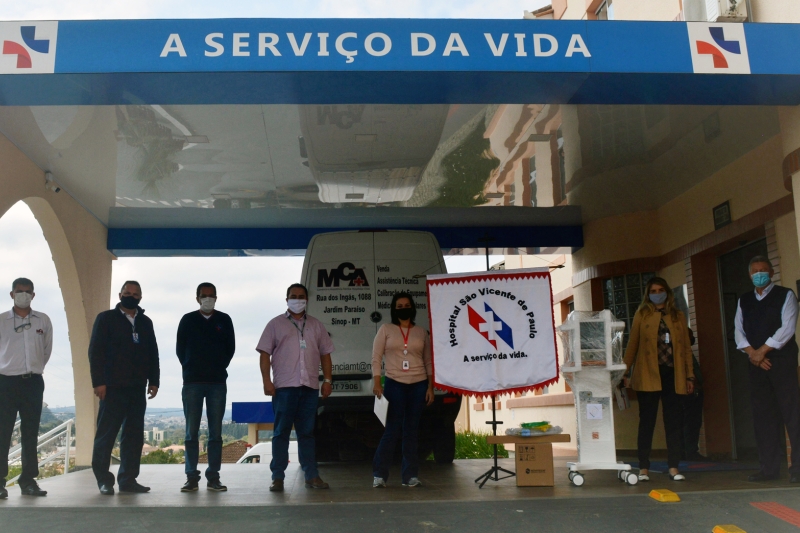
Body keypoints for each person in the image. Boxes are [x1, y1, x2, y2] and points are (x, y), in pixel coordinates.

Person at [256, 283, 334, 492]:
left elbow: (326, 354)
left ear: (307, 300)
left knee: (307, 433)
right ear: (286, 299)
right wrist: (266, 380)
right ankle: (278, 477)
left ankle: (311, 475)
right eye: (293, 296)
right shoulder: (275, 324)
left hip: (309, 386)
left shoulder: (316, 325)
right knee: (281, 432)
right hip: (284, 388)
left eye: (301, 296)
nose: (297, 300)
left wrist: (327, 381)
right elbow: (264, 354)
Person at [89, 281, 160, 495]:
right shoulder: (105, 319)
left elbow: (152, 353)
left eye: (135, 293)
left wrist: (154, 381)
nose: (131, 296)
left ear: (140, 297)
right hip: (111, 388)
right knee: (106, 436)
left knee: (133, 437)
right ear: (120, 294)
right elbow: (95, 352)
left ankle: (128, 480)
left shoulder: (145, 322)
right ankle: (104, 480)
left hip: (137, 388)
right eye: (127, 292)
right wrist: (98, 382)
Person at [734, 256, 800, 483]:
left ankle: (798, 470)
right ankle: (769, 470)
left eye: (763, 270)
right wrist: (753, 354)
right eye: (755, 270)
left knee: (793, 415)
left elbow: (787, 328)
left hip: (782, 362)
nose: (759, 273)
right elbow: (738, 333)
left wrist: (762, 350)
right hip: (756, 364)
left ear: (771, 273)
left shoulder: (786, 295)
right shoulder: (744, 300)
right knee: (763, 418)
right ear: (750, 275)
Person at [623, 277, 695, 482]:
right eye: (653, 291)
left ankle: (674, 467)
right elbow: (632, 345)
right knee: (647, 422)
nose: (657, 293)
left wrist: (690, 375)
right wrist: (624, 372)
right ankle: (644, 467)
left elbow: (686, 349)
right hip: (648, 375)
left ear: (667, 292)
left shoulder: (678, 315)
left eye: (660, 290)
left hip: (674, 374)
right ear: (648, 294)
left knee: (673, 422)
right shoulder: (642, 314)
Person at [176, 282, 235, 493]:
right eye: (204, 295)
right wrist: (192, 367)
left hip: (217, 383)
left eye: (211, 295)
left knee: (215, 434)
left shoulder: (224, 320)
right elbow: (180, 350)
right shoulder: (188, 320)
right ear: (197, 298)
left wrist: (216, 366)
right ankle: (191, 477)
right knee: (191, 433)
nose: (207, 298)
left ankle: (213, 477)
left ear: (216, 298)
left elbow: (230, 349)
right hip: (192, 383)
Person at [371, 292, 434, 488]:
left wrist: (430, 387)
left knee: (411, 431)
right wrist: (377, 382)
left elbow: (428, 361)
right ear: (394, 309)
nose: (403, 308)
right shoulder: (386, 329)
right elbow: (376, 357)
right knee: (392, 429)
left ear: (412, 308)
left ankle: (410, 476)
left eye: (406, 305)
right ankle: (379, 475)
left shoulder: (422, 332)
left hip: (418, 384)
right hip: (394, 383)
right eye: (399, 306)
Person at [0, 278, 53, 498]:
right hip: (6, 382)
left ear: (33, 295)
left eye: (28, 292)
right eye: (19, 291)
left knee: (30, 433)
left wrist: (35, 368)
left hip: (33, 382)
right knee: (2, 432)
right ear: (12, 294)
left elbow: (46, 350)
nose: (24, 295)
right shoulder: (2, 321)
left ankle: (28, 480)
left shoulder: (43, 320)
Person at [681, 328, 706, 462]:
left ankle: (687, 451)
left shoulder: (687, 352)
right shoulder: (683, 353)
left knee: (690, 421)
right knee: (691, 421)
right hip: (690, 390)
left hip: (693, 389)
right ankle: (690, 451)